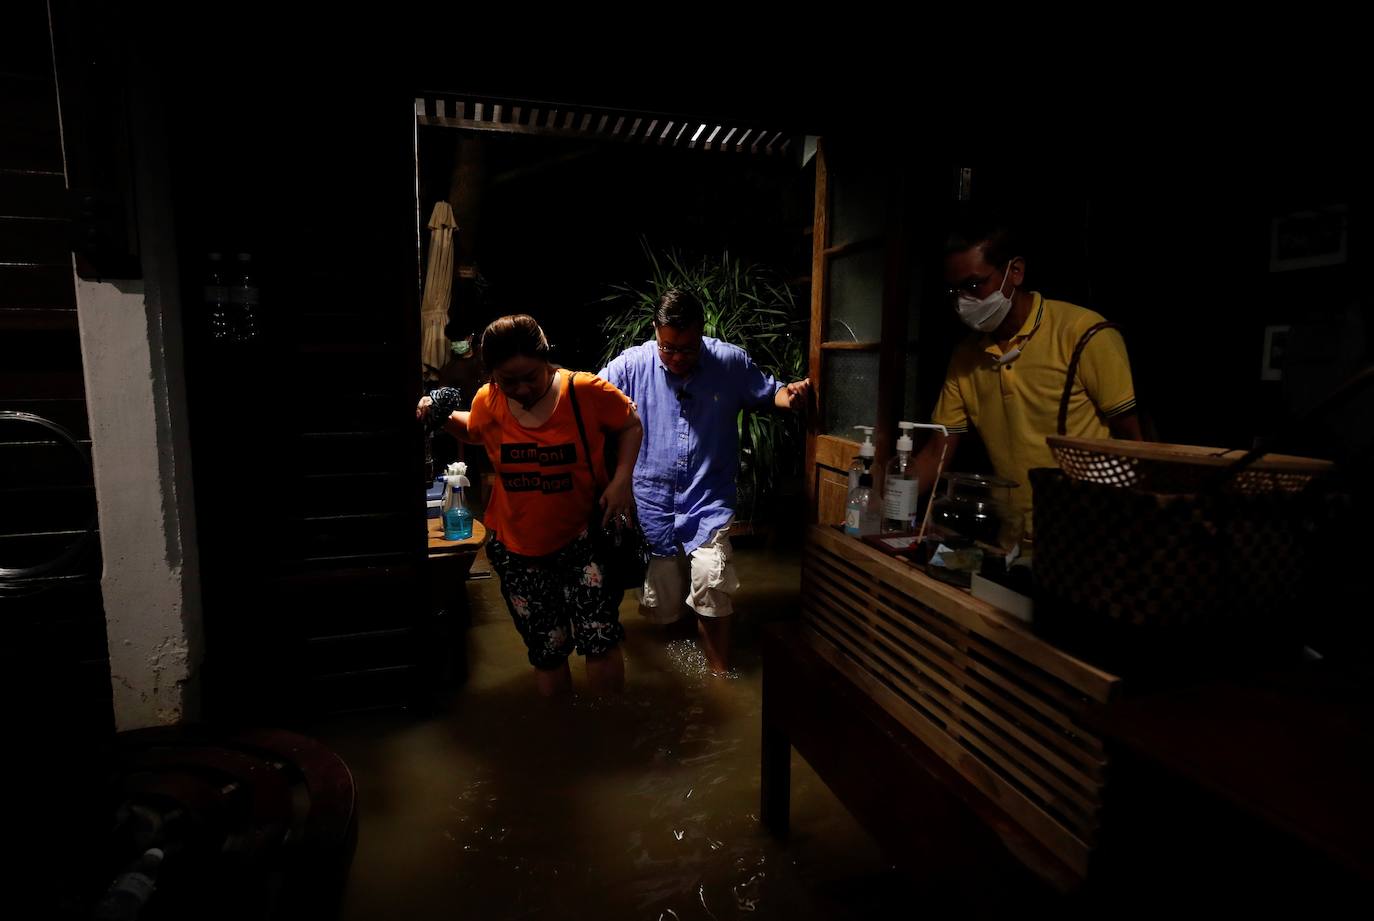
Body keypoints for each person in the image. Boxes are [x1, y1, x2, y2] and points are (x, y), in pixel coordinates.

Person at [417, 315, 642, 697]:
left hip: (583, 540)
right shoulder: (488, 400)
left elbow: (630, 423)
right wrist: (437, 415)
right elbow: (474, 430)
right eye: (509, 381)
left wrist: (622, 481)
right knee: (547, 651)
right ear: (491, 376)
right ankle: (562, 739)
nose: (521, 388)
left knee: (600, 640)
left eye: (531, 377)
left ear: (547, 362)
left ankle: (610, 733)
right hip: (517, 550)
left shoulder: (583, 390)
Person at [599, 289, 810, 676]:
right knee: (663, 605)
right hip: (652, 502)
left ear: (702, 333)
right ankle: (676, 680)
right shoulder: (631, 365)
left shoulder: (728, 362)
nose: (677, 357)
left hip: (707, 497)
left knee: (711, 582)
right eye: (668, 348)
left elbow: (771, 393)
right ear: (655, 332)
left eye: (688, 348)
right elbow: (588, 400)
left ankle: (718, 677)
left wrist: (791, 396)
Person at [913, 208, 1142, 543]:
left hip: (1089, 538)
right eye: (954, 291)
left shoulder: (1083, 333)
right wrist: (884, 497)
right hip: (1014, 540)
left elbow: (1137, 447)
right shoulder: (966, 357)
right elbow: (937, 452)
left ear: (1015, 271)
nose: (964, 301)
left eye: (974, 285)